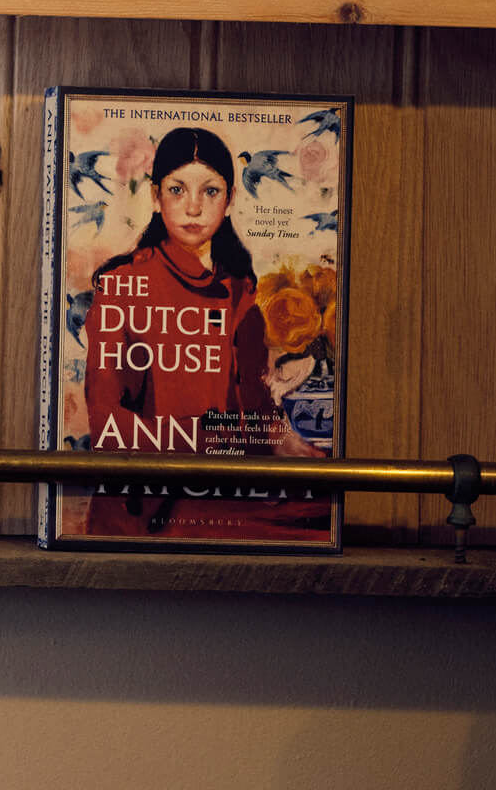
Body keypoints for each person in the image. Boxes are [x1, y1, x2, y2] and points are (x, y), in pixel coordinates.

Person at [78, 125, 322, 538]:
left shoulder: (241, 289)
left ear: (229, 200)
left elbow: (258, 407)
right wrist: (217, 439)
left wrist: (292, 445)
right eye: (177, 190)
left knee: (321, 521)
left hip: (230, 490)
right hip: (148, 504)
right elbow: (107, 426)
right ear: (156, 197)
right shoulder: (122, 285)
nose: (193, 207)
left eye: (210, 191)